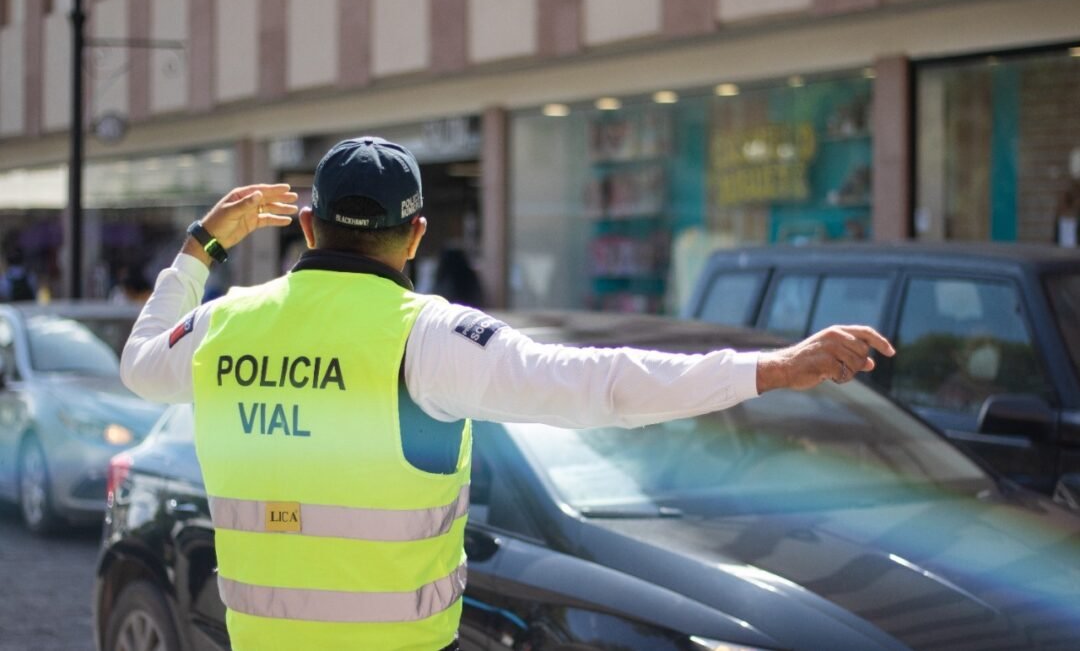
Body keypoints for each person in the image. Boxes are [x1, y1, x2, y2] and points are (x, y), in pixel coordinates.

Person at [120, 136, 894, 651]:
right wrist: (766, 368)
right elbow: (601, 386)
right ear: (417, 235)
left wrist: (202, 247)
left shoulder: (224, 324)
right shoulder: (427, 336)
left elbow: (139, 362)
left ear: (310, 227)